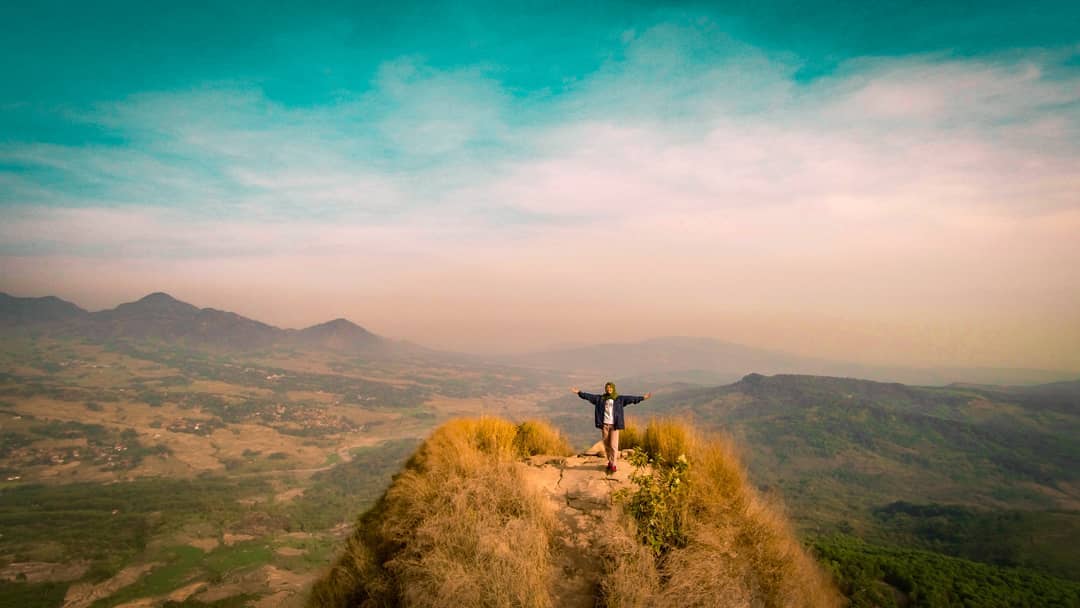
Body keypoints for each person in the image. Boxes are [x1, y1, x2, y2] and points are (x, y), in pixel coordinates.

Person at [571, 382, 651, 473]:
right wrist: (579, 393)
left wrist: (643, 398)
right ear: (605, 389)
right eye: (607, 388)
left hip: (615, 425)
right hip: (604, 425)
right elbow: (589, 396)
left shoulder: (619, 399)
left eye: (610, 388)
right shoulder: (600, 399)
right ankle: (610, 461)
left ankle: (613, 464)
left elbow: (631, 399)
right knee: (607, 445)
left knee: (613, 445)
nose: (609, 389)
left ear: (613, 388)